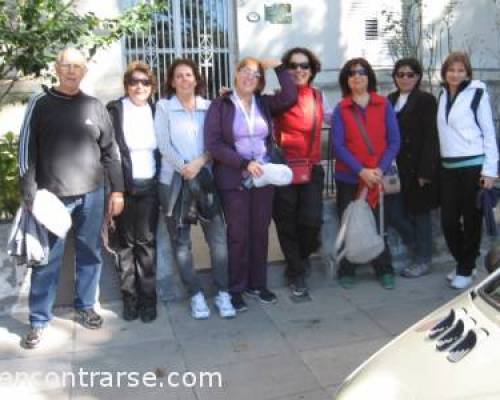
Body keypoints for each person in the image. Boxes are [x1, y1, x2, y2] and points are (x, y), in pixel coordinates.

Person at [18, 48, 124, 348]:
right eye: (66, 65)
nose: (71, 71)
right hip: (52, 198)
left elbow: (110, 150)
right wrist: (30, 193)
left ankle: (86, 305)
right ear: (57, 67)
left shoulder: (94, 106)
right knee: (47, 261)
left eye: (77, 66)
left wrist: (117, 190)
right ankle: (39, 320)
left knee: (90, 253)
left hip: (92, 194)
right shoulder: (40, 103)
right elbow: (25, 150)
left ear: (84, 71)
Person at [205, 57, 297, 312]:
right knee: (238, 236)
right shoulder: (220, 105)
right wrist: (244, 163)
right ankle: (236, 289)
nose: (249, 77)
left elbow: (290, 95)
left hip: (263, 177)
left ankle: (258, 284)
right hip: (235, 179)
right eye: (245, 71)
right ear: (236, 74)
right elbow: (213, 144)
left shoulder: (264, 103)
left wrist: (278, 66)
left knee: (259, 232)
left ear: (259, 80)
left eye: (255, 74)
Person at [155, 58, 236, 319]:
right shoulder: (164, 107)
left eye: (188, 75)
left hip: (206, 181)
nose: (184, 79)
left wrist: (199, 163)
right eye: (178, 76)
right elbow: (163, 145)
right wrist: (184, 168)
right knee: (181, 243)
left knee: (218, 239)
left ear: (196, 79)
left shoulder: (210, 107)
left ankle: (223, 292)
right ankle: (196, 295)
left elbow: (218, 140)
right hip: (174, 183)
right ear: (171, 81)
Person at [331, 57, 400, 290]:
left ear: (368, 76)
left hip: (377, 178)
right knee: (349, 224)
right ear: (346, 80)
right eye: (351, 73)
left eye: (361, 72)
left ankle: (384, 269)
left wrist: (379, 170)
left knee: (379, 225)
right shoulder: (341, 108)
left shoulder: (383, 104)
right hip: (349, 177)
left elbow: (394, 141)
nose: (357, 76)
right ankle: (347, 269)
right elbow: (338, 146)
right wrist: (361, 171)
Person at [272, 47, 332, 297]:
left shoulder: (319, 96)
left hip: (311, 168)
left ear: (312, 70)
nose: (299, 70)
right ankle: (296, 272)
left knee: (311, 221)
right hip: (284, 168)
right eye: (293, 66)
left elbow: (336, 118)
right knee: (286, 224)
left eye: (304, 66)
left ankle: (300, 258)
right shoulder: (276, 97)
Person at [437, 51, 498, 289]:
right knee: (448, 221)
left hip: (473, 166)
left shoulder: (477, 93)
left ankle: (465, 267)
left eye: (461, 70)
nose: (455, 74)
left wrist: (489, 171)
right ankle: (465, 262)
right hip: (448, 168)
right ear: (444, 72)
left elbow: (489, 132)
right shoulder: (441, 94)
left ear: (467, 73)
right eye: (451, 70)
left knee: (472, 220)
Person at [106, 61, 159, 323]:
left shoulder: (157, 109)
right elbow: (108, 152)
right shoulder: (115, 110)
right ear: (126, 85)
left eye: (145, 82)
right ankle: (130, 300)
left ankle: (149, 301)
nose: (139, 86)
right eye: (134, 82)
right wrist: (116, 190)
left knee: (146, 246)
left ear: (152, 86)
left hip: (150, 185)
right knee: (126, 246)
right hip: (124, 188)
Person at [387, 58, 440, 278]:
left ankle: (422, 259)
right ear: (395, 77)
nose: (405, 78)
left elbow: (431, 137)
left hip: (418, 168)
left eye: (410, 74)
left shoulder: (426, 100)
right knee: (393, 214)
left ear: (418, 77)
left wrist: (426, 171)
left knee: (420, 214)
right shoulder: (389, 100)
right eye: (400, 74)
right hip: (395, 169)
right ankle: (421, 248)